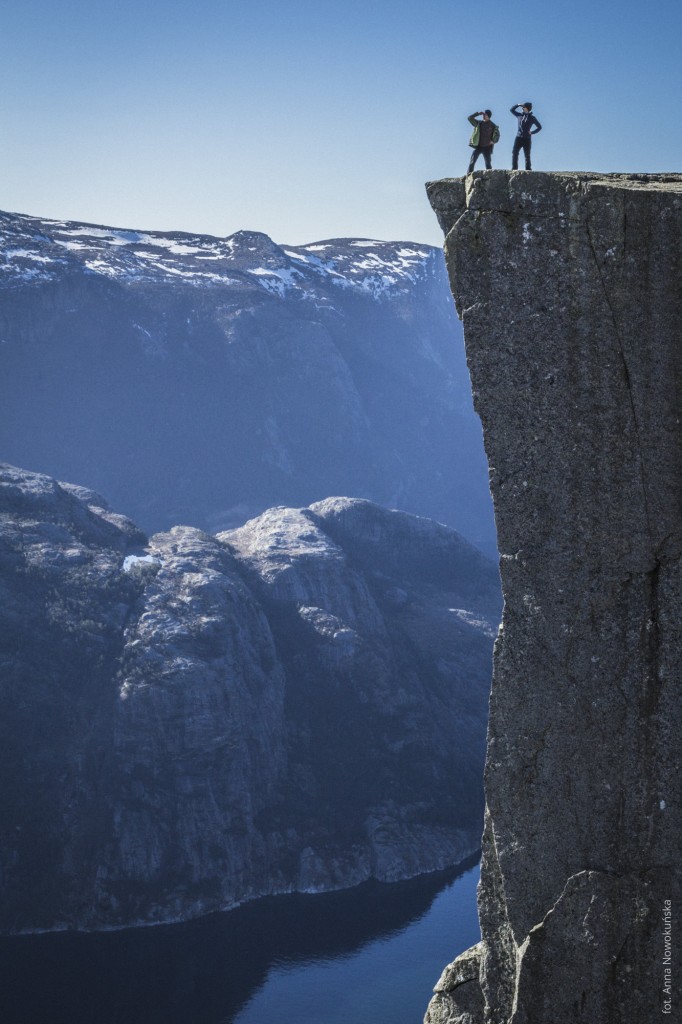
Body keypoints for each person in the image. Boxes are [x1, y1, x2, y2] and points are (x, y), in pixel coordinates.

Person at [510, 102, 542, 170]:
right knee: (515, 153)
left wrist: (532, 132)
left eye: (523, 107)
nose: (522, 108)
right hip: (518, 137)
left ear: (527, 108)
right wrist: (518, 105)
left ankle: (528, 169)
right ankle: (514, 169)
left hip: (527, 138)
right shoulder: (519, 115)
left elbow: (539, 127)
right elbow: (511, 110)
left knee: (527, 155)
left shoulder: (532, 118)